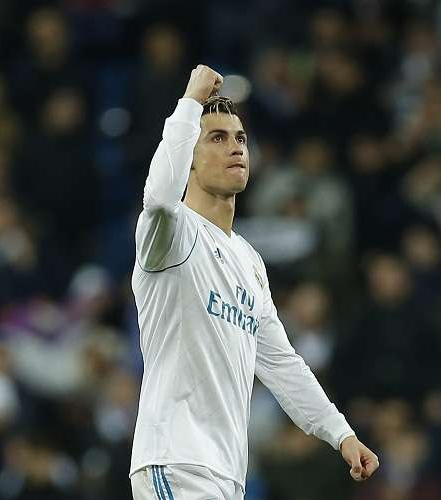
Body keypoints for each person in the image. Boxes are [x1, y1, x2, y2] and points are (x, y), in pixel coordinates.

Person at [129, 64, 379, 500]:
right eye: (218, 138)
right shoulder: (172, 234)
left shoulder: (250, 262)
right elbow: (158, 197)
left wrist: (341, 433)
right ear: (188, 153)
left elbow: (282, 364)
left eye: (240, 138)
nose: (235, 148)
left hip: (227, 473)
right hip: (176, 461)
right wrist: (190, 101)